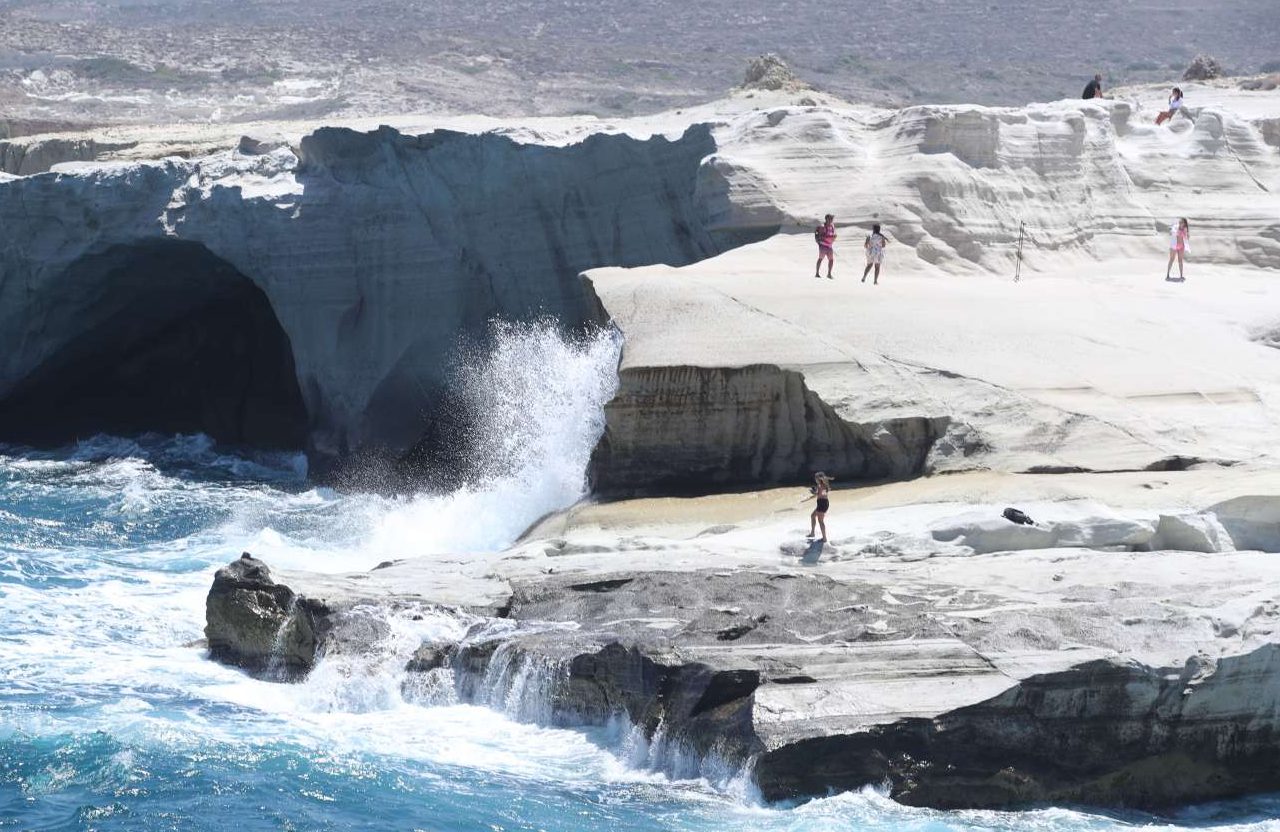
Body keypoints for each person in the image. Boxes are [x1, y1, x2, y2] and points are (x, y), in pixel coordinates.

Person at [802, 472, 833, 542]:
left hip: (822, 504)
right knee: (813, 516)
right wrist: (808, 498)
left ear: (819, 479)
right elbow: (821, 494)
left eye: (816, 478)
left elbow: (821, 495)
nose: (815, 479)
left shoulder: (822, 485)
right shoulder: (821, 486)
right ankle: (812, 533)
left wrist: (814, 493)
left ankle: (824, 538)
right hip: (822, 503)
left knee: (820, 521)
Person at [814, 214, 836, 279]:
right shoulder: (822, 227)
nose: (831, 220)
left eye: (832, 219)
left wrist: (833, 237)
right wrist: (828, 237)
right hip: (823, 246)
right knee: (820, 259)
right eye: (830, 219)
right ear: (826, 219)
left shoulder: (832, 226)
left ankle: (829, 274)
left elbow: (833, 234)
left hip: (829, 246)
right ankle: (817, 273)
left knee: (831, 260)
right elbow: (820, 236)